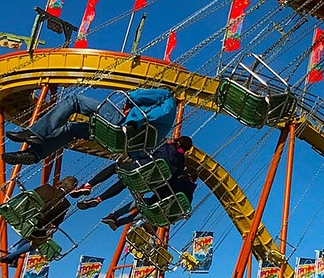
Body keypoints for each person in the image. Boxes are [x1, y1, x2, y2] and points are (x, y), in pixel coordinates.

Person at [4, 87, 176, 164]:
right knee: (72, 129)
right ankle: (34, 155)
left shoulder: (166, 96)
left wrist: (133, 103)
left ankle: (37, 132)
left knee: (75, 100)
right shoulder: (167, 122)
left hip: (121, 126)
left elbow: (136, 95)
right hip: (125, 144)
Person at [74, 136, 193, 209]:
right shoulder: (181, 166)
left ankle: (89, 185)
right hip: (146, 183)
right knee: (126, 181)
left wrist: (136, 156)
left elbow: (145, 152)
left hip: (138, 168)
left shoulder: (165, 145)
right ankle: (99, 199)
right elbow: (170, 180)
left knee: (116, 167)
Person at [0, 177, 78, 264]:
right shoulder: (65, 204)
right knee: (38, 240)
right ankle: (11, 257)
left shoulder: (46, 188)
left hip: (22, 217)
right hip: (38, 227)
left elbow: (29, 197)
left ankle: (13, 258)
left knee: (29, 231)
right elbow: (57, 222)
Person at [102, 170, 198, 230]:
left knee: (141, 202)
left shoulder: (179, 182)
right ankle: (119, 223)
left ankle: (114, 216)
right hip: (164, 217)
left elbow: (164, 189)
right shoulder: (190, 196)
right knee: (146, 211)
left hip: (156, 206)